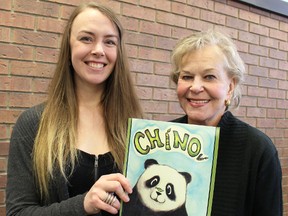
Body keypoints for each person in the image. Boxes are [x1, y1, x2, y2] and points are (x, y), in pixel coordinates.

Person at [6, 2, 143, 216]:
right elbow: (18, 212)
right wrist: (83, 205)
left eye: (109, 42)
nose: (98, 50)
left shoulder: (135, 125)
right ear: (68, 46)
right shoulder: (33, 124)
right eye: (86, 38)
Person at [170, 30, 283, 215]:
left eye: (209, 77)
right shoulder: (159, 139)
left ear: (230, 87)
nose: (196, 87)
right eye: (187, 76)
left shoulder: (257, 150)